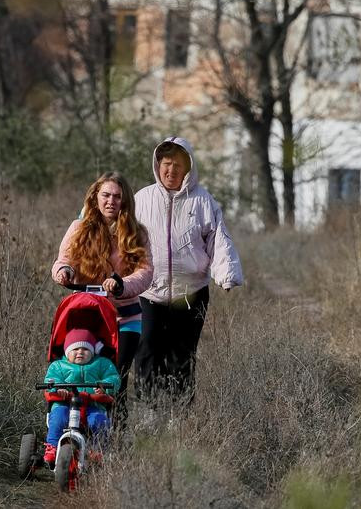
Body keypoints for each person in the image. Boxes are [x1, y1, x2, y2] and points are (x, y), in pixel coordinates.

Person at [133, 137, 243, 406]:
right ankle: (149, 409)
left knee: (182, 354)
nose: (171, 171)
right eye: (166, 164)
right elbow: (124, 239)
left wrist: (226, 274)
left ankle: (178, 413)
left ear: (188, 169)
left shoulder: (203, 201)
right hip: (149, 292)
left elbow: (219, 239)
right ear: (158, 166)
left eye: (178, 165)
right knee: (147, 350)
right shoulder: (141, 199)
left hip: (191, 294)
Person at [51, 172, 153, 416]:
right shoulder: (79, 228)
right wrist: (64, 271)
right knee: (79, 375)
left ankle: (115, 442)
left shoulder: (138, 234)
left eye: (117, 197)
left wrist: (121, 284)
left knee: (114, 382)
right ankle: (75, 427)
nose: (111, 201)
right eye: (105, 195)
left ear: (125, 201)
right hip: (89, 316)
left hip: (124, 317)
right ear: (95, 197)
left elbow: (146, 272)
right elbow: (63, 260)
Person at [43, 328, 121, 465]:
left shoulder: (101, 363)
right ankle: (53, 447)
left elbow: (114, 378)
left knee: (99, 421)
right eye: (75, 349)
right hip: (65, 403)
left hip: (92, 404)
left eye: (85, 349)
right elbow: (50, 379)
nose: (80, 352)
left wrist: (104, 385)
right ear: (67, 352)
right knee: (58, 418)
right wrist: (58, 388)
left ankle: (99, 449)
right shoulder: (59, 365)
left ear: (92, 351)